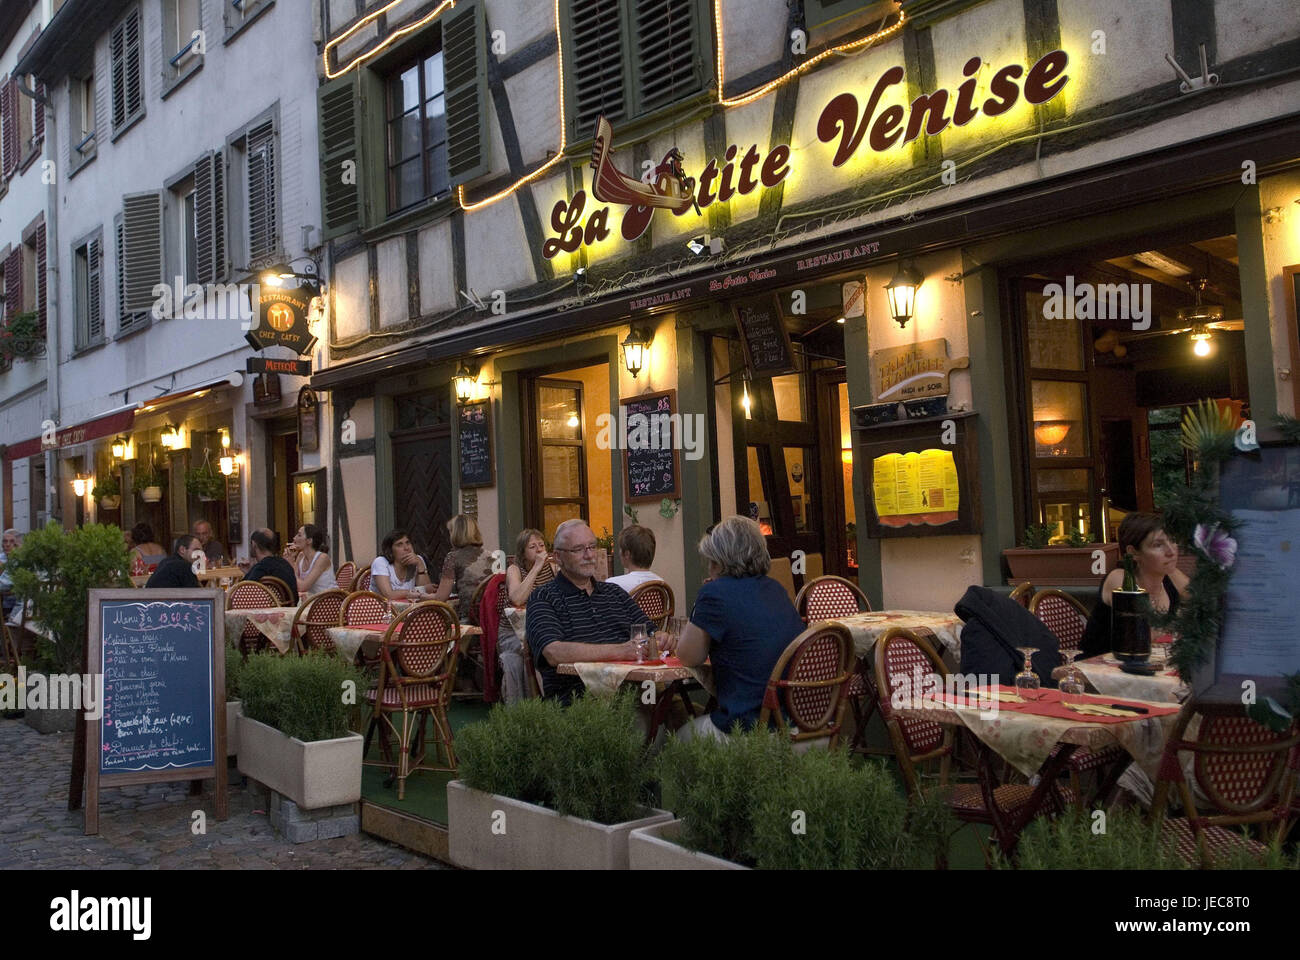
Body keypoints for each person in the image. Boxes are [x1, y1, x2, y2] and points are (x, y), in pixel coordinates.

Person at [659, 516, 805, 742]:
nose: (709, 567)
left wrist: (703, 600)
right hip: (793, 720)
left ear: (719, 562)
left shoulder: (715, 594)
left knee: (675, 740)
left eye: (710, 561)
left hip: (748, 726)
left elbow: (688, 656)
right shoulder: (775, 589)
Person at [527, 519, 648, 703]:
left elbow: (650, 633)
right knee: (650, 717)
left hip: (639, 691)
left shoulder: (614, 592)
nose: (589, 555)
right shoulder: (543, 597)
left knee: (677, 712)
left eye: (592, 547)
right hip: (581, 703)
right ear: (558, 557)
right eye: (579, 549)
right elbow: (553, 652)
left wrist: (663, 638)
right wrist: (621, 651)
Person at [1080, 513, 1189, 659]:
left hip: (1147, 666)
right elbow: (1142, 633)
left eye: (1172, 541)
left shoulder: (1169, 577)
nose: (1171, 551)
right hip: (1100, 672)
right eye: (1158, 545)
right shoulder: (1120, 578)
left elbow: (1205, 604)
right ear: (1133, 552)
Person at [496, 528, 555, 703]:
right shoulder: (515, 569)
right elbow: (517, 599)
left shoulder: (552, 568)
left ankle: (551, 700)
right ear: (522, 552)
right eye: (532, 547)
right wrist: (536, 567)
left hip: (543, 628)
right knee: (538, 649)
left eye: (541, 545)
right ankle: (538, 702)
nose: (539, 550)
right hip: (513, 633)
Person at [434, 515, 494, 621]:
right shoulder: (492, 556)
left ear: (455, 534)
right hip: (491, 617)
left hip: (470, 618)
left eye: (450, 532)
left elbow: (440, 598)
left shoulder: (452, 557)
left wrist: (420, 596)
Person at [238, 528, 299, 604]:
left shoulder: (260, 567)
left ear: (254, 544)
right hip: (288, 612)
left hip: (263, 613)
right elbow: (295, 597)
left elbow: (239, 593)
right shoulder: (286, 565)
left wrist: (250, 573)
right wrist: (249, 572)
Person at [371, 529, 431, 601]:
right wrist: (413, 592)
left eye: (408, 543)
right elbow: (388, 594)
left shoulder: (418, 560)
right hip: (381, 608)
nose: (406, 548)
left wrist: (420, 565)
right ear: (390, 551)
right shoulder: (380, 562)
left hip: (409, 608)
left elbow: (426, 592)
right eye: (399, 545)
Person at [604, 525, 664, 594]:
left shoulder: (612, 584)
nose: (619, 552)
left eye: (620, 548)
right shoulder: (660, 584)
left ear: (627, 554)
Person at [292, 524, 338, 597]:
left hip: (329, 601)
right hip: (312, 601)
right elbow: (293, 583)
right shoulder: (300, 556)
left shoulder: (322, 558)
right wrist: (289, 562)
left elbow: (302, 587)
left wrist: (291, 564)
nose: (294, 538)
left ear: (309, 541)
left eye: (299, 535)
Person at [0, 528, 22, 619]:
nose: (7, 545)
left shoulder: (22, 559)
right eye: (5, 541)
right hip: (6, 603)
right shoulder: (1, 557)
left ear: (18, 544)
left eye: (12, 541)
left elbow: (5, 585)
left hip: (20, 606)